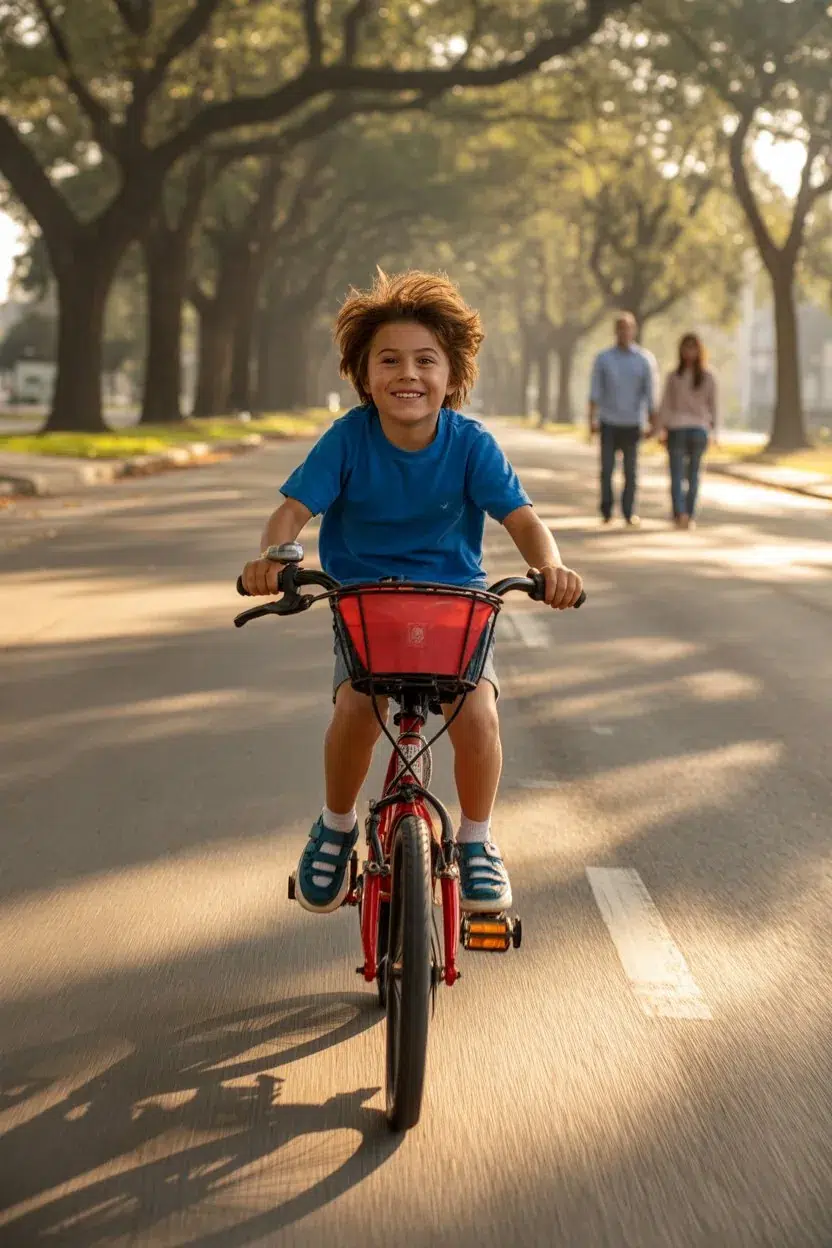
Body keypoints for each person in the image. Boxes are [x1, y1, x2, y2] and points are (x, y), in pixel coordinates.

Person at [241, 270, 583, 916]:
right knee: (357, 711)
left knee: (478, 715)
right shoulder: (347, 440)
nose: (408, 374)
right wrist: (274, 557)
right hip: (367, 607)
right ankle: (337, 825)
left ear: (452, 376)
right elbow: (291, 514)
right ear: (363, 375)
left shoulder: (471, 445)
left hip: (454, 609)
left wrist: (551, 568)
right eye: (389, 360)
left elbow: (524, 521)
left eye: (426, 360)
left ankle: (478, 839)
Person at [588, 311, 656, 526]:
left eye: (628, 328)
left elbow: (650, 393)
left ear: (634, 330)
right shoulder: (603, 358)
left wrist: (653, 422)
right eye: (621, 328)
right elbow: (595, 391)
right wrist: (591, 419)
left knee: (631, 471)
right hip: (608, 421)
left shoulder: (644, 360)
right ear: (615, 331)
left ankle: (629, 512)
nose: (624, 332)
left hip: (633, 423)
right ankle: (607, 511)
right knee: (607, 469)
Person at [656, 332, 719, 529]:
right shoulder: (676, 376)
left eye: (692, 348)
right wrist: (660, 429)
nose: (689, 352)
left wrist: (714, 432)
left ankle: (682, 513)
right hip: (686, 429)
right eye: (686, 347)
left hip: (691, 430)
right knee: (687, 475)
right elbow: (666, 405)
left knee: (686, 475)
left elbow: (714, 407)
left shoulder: (703, 377)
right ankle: (685, 514)